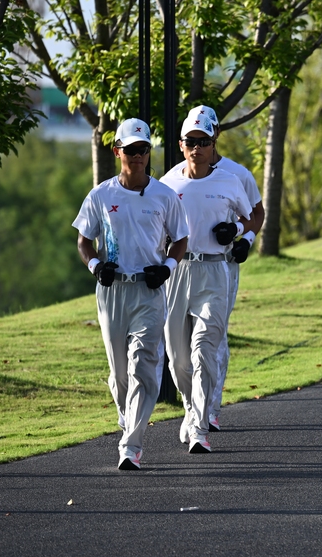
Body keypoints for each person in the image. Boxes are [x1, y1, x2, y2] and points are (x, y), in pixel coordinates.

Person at [72, 117, 189, 471]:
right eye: (131, 150)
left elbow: (181, 239)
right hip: (112, 292)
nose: (138, 156)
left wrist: (166, 267)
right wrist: (96, 266)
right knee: (120, 375)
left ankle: (131, 445)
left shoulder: (164, 195)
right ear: (117, 151)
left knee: (143, 367)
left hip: (150, 291)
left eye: (144, 150)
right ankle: (128, 417)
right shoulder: (101, 195)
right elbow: (83, 240)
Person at [161, 105, 264, 431]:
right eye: (190, 140)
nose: (197, 147)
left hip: (224, 263)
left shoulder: (237, 175)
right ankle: (196, 407)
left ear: (216, 135)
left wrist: (241, 237)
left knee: (211, 339)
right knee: (181, 351)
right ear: (182, 142)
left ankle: (209, 410)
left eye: (203, 139)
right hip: (181, 269)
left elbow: (255, 214)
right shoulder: (171, 180)